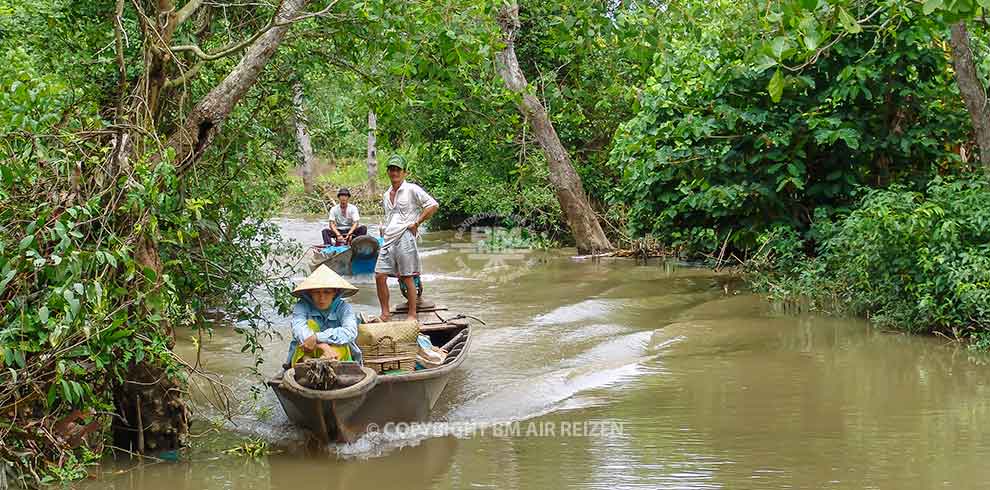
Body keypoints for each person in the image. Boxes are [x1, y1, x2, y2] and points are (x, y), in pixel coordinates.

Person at [374, 154, 438, 322]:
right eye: (391, 169)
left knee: (407, 275)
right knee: (380, 275)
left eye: (398, 170)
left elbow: (432, 205)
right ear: (388, 172)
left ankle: (412, 314)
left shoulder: (412, 189)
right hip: (388, 238)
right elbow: (390, 217)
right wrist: (385, 230)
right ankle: (385, 313)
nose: (394, 172)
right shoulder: (386, 194)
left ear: (404, 172)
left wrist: (417, 223)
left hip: (405, 237)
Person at [285, 264, 363, 367]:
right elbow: (298, 329)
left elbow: (350, 332)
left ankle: (324, 363)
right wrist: (322, 345)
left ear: (334, 293)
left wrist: (317, 337)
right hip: (307, 352)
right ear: (310, 293)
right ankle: (309, 364)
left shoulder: (344, 307)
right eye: (317, 292)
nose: (322, 298)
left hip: (338, 355)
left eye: (327, 292)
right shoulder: (302, 306)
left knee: (341, 343)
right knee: (309, 325)